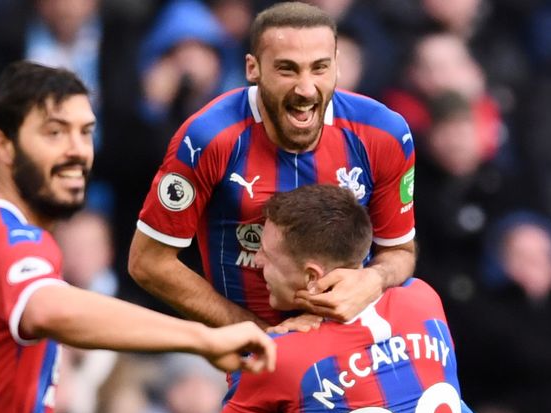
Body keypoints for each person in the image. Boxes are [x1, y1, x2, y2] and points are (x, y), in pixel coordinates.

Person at [0, 61, 276, 413]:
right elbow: (47, 309)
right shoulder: (8, 236)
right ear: (2, 145)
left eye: (85, 132)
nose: (77, 150)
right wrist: (202, 338)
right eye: (54, 133)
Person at [128, 1, 416, 328]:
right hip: (253, 353)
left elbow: (399, 253)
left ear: (337, 66)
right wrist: (263, 337)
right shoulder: (209, 138)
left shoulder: (384, 133)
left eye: (319, 68)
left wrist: (376, 278)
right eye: (287, 69)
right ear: (253, 68)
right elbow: (148, 262)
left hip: (353, 344)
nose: (306, 88)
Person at [212, 184, 485, 413]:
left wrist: (260, 354)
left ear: (311, 277)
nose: (257, 261)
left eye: (267, 254)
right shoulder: (422, 298)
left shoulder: (278, 357)